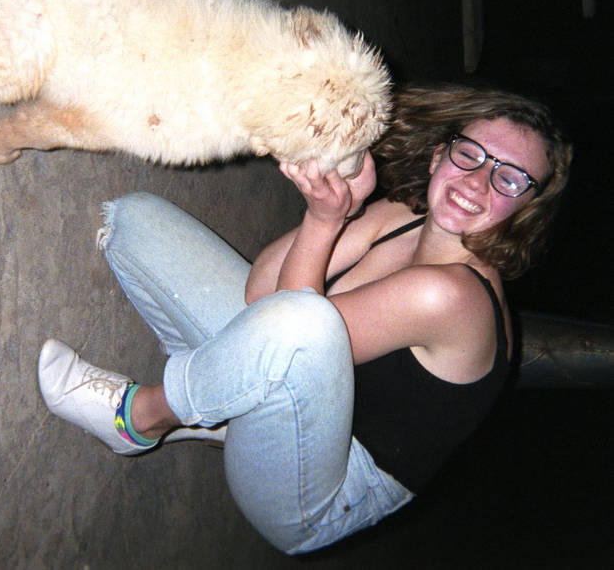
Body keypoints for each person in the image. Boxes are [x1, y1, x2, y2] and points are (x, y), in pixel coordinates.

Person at [38, 84, 572, 554]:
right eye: (470, 154)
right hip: (301, 381)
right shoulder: (403, 217)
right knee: (134, 220)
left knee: (304, 326)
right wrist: (339, 213)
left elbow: (297, 328)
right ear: (439, 157)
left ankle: (140, 419)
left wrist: (323, 219)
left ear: (526, 206)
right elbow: (261, 293)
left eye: (510, 179)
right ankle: (227, 404)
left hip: (326, 491)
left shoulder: (452, 297)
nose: (478, 181)